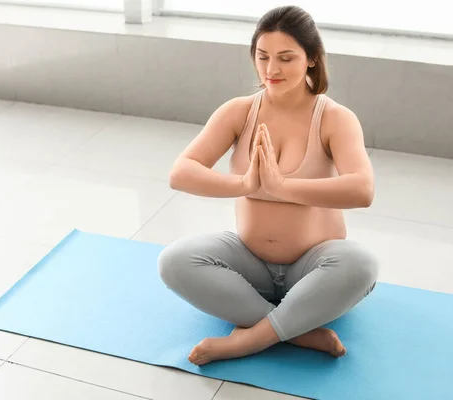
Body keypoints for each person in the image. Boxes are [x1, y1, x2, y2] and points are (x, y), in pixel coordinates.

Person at [157, 5, 379, 366]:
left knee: (362, 264)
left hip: (315, 266)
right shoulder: (238, 111)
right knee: (174, 261)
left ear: (312, 59)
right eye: (262, 57)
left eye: (286, 58)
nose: (271, 70)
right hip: (249, 263)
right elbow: (181, 172)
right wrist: (245, 183)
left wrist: (282, 187)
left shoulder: (335, 118)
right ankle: (298, 332)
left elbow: (362, 190)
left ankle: (248, 340)